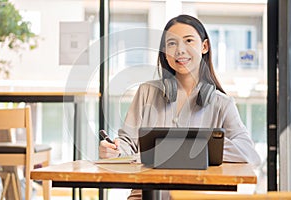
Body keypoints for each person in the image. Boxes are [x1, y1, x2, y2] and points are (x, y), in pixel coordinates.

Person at [99, 14, 261, 199]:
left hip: (196, 197)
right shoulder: (147, 92)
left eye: (188, 41)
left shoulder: (221, 103)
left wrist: (193, 148)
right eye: (171, 44)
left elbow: (249, 154)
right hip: (145, 196)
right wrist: (114, 151)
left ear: (204, 46)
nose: (179, 50)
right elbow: (127, 143)